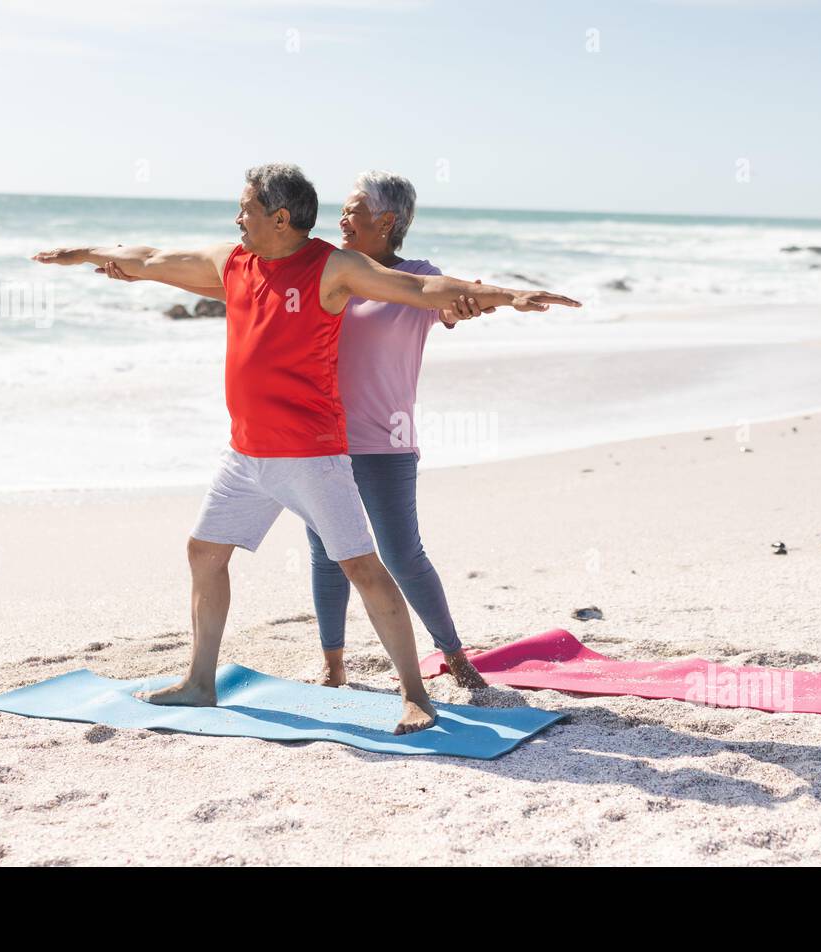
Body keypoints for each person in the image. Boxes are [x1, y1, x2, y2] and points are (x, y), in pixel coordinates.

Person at [33, 163, 579, 734]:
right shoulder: (233, 261)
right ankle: (201, 681)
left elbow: (420, 289)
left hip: (314, 453)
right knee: (204, 553)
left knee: (365, 566)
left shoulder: (332, 267)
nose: (236, 217)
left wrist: (509, 295)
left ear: (280, 217)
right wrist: (88, 252)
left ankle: (416, 693)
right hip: (245, 454)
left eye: (244, 207)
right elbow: (152, 258)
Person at [101, 171, 491, 691]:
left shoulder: (414, 274)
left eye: (353, 211)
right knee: (327, 557)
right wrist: (142, 272)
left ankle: (453, 654)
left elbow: (438, 297)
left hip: (381, 438)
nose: (341, 219)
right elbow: (241, 286)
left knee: (399, 554)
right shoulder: (325, 265)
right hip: (310, 437)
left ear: (387, 220)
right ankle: (333, 664)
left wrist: (474, 303)